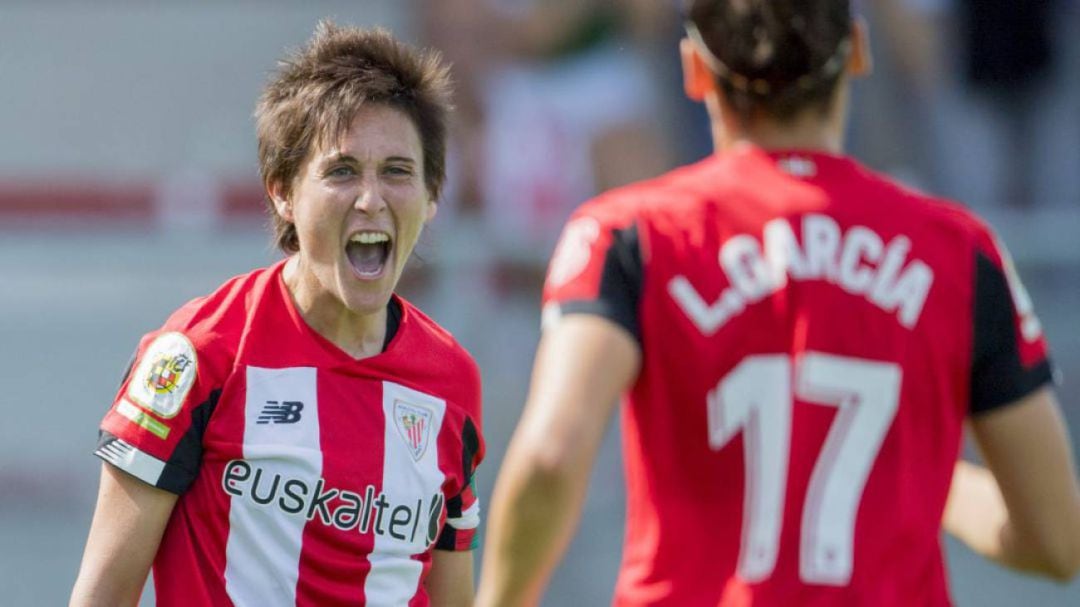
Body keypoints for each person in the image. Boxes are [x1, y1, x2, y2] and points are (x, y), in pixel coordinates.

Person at [476, 1, 1080, 605]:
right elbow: (1056, 539)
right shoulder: (958, 252)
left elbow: (552, 455)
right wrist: (924, 480)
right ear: (860, 53)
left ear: (694, 70)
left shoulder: (630, 234)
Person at [69, 22, 483, 607]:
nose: (371, 198)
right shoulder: (201, 351)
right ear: (283, 192)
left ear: (432, 194)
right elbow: (102, 594)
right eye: (341, 171)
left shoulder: (452, 381)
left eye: (397, 171)